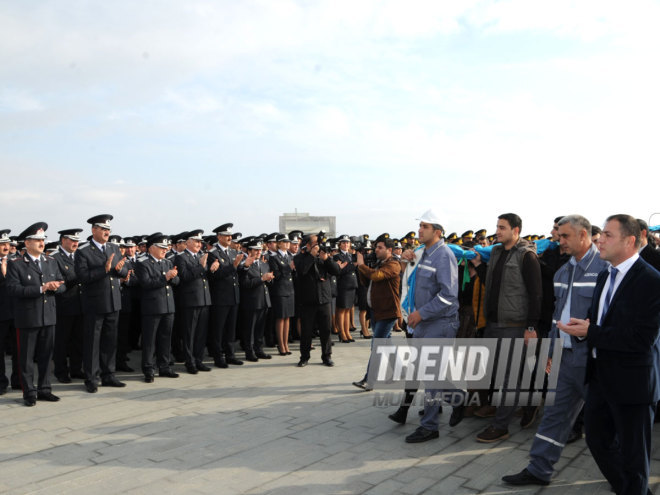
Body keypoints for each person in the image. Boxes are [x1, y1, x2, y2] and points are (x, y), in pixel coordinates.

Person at [502, 214, 608, 486]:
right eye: (558, 236)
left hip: (595, 361)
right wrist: (550, 350)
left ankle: (626, 479)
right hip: (565, 357)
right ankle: (538, 469)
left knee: (606, 423)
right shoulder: (562, 271)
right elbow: (556, 316)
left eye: (565, 236)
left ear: (583, 235)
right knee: (554, 416)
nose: (559, 241)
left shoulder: (606, 270)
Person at [559, 214, 660, 495]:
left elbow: (641, 339)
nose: (599, 239)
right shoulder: (605, 275)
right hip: (601, 378)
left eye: (607, 235)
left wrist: (590, 332)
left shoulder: (651, 281)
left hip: (633, 384)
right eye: (600, 233)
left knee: (634, 459)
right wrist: (583, 330)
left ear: (630, 241)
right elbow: (599, 323)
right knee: (598, 441)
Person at [470, 212, 542, 442]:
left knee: (512, 378)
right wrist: (477, 265)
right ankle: (500, 411)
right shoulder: (498, 252)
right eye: (497, 227)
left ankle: (501, 425)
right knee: (494, 374)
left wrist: (531, 327)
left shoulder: (526, 256)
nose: (498, 231)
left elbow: (535, 293)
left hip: (515, 325)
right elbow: (494, 283)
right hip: (493, 324)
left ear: (516, 230)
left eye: (502, 228)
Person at [403, 210, 464, 443]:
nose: (419, 230)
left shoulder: (444, 255)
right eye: (420, 225)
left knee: (431, 374)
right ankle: (458, 398)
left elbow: (449, 296)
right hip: (423, 322)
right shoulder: (424, 253)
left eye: (424, 226)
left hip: (440, 323)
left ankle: (429, 426)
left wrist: (421, 313)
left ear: (437, 232)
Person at [5, 223, 65, 406]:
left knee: (46, 356)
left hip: (48, 316)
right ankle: (29, 392)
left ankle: (44, 389)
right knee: (26, 358)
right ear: (27, 243)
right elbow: (14, 289)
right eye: (38, 240)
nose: (42, 243)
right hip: (28, 318)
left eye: (43, 240)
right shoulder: (16, 265)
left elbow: (63, 284)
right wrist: (41, 288)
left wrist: (56, 287)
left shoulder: (51, 262)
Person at [75, 214, 129, 392]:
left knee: (110, 341)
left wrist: (121, 271)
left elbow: (124, 269)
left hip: (114, 302)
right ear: (94, 230)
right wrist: (104, 270)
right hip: (95, 304)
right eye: (103, 229)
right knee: (92, 343)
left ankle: (109, 375)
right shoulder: (83, 251)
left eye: (108, 230)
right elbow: (82, 277)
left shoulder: (113, 247)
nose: (107, 232)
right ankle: (91, 378)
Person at [351, 234, 401, 390]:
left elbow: (376, 276)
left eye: (380, 248)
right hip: (377, 311)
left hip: (388, 311)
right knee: (386, 343)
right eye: (376, 247)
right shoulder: (380, 263)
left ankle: (369, 380)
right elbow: (366, 281)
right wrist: (363, 266)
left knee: (377, 345)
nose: (376, 250)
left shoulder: (393, 264)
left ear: (389, 250)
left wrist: (361, 265)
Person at [134, 233, 180, 382]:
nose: (164, 250)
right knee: (149, 340)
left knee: (166, 338)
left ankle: (164, 367)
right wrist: (165, 278)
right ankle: (148, 369)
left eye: (165, 248)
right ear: (152, 248)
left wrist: (173, 277)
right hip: (152, 307)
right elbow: (146, 284)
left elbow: (177, 280)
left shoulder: (166, 262)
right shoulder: (143, 263)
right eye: (161, 248)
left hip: (168, 306)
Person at [294, 234, 341, 367]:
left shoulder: (323, 257)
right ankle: (304, 357)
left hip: (324, 299)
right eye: (314, 243)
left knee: (326, 330)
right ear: (308, 245)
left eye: (318, 243)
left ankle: (326, 356)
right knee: (306, 331)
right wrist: (311, 255)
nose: (317, 246)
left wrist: (326, 259)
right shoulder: (300, 258)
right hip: (308, 301)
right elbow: (302, 270)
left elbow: (337, 271)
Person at [173, 229, 212, 374]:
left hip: (204, 299)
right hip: (190, 301)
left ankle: (199, 360)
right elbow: (184, 277)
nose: (198, 244)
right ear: (187, 242)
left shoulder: (202, 256)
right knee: (189, 333)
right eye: (195, 241)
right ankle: (190, 362)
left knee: (201, 333)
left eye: (200, 242)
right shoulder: (181, 258)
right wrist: (200, 266)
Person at [206, 223, 245, 368]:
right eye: (226, 235)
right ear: (219, 237)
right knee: (218, 329)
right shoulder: (213, 254)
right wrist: (233, 266)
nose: (230, 238)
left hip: (233, 295)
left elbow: (238, 273)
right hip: (220, 297)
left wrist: (245, 266)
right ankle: (218, 356)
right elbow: (215, 276)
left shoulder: (233, 252)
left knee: (231, 328)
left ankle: (230, 355)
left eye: (230, 235)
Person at [52, 228, 85, 383]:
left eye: (77, 240)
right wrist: (79, 276)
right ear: (63, 240)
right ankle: (60, 371)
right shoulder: (54, 258)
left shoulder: (79, 255)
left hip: (80, 304)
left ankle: (76, 369)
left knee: (78, 340)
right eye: (72, 240)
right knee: (62, 342)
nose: (75, 243)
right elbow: (60, 282)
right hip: (63, 306)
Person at [238, 239, 274, 361]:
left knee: (260, 328)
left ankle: (259, 349)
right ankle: (249, 351)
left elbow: (269, 281)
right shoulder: (244, 265)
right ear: (249, 251)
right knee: (250, 329)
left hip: (263, 300)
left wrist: (268, 279)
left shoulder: (264, 264)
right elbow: (245, 283)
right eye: (255, 250)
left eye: (260, 249)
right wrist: (262, 279)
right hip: (251, 302)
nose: (259, 252)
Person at [268, 234, 295, 356]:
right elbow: (277, 275)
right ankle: (281, 344)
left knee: (287, 317)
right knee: (280, 318)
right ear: (278, 243)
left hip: (289, 290)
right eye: (284, 242)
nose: (287, 244)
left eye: (288, 242)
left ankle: (286, 343)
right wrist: (288, 268)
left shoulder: (290, 256)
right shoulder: (274, 257)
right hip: (280, 291)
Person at [0, 229, 20, 395]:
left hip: (17, 312)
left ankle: (18, 381)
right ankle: (1, 382)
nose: (6, 247)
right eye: (2, 244)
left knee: (19, 349)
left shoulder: (16, 262)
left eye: (7, 244)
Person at [334, 235, 357, 343]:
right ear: (340, 245)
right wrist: (352, 265)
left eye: (347, 243)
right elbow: (339, 271)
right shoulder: (337, 257)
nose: (346, 244)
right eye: (343, 243)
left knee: (348, 309)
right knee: (342, 310)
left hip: (351, 284)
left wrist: (349, 265)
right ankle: (341, 332)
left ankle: (347, 332)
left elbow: (349, 267)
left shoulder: (351, 256)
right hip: (343, 285)